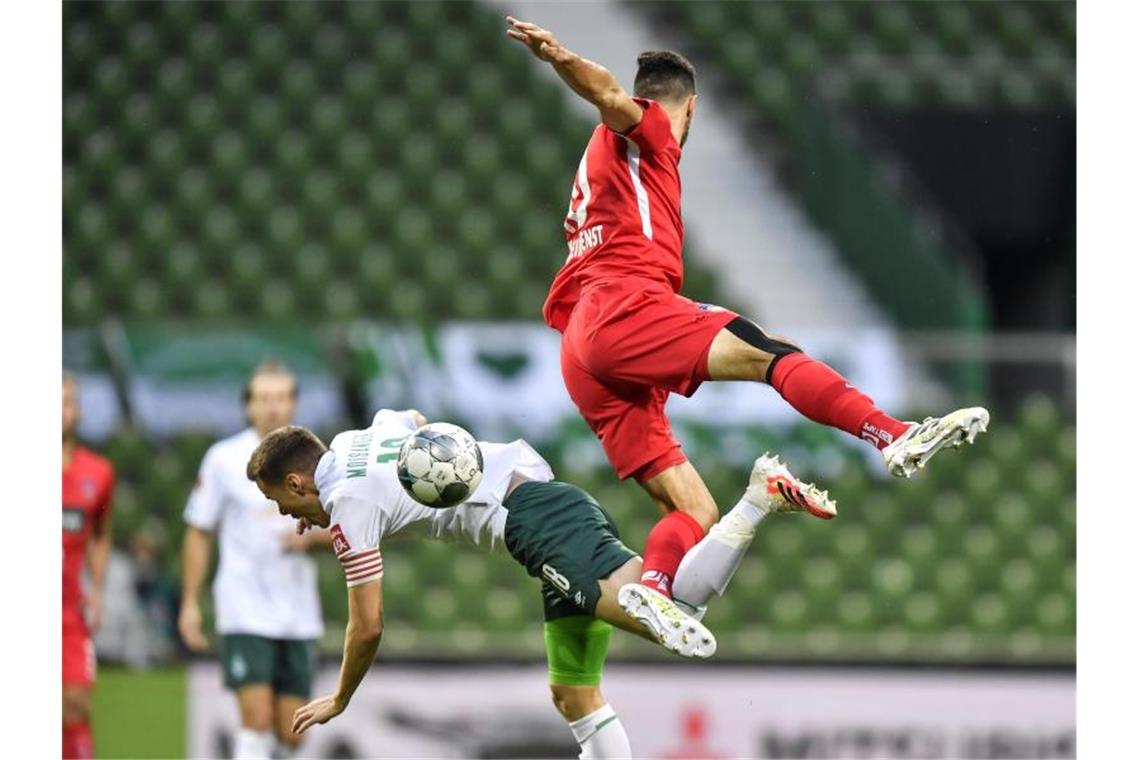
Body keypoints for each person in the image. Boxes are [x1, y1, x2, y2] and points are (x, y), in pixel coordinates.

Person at [504, 16, 990, 605]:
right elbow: (607, 93)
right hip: (624, 305)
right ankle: (891, 434)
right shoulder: (649, 129)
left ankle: (654, 590)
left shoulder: (600, 162)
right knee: (772, 354)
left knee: (694, 508)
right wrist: (559, 57)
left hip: (582, 348)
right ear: (693, 108)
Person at [244, 409, 835, 759]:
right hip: (538, 503)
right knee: (573, 693)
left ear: (297, 482)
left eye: (279, 502)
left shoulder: (347, 508)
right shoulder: (355, 441)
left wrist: (342, 697)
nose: (288, 517)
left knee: (678, 614)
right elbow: (418, 424)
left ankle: (756, 500)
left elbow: (367, 626)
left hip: (534, 522)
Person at [178, 359, 331, 760]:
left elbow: (343, 529)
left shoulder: (318, 462)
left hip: (297, 610)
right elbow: (199, 529)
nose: (272, 407)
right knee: (257, 719)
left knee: (293, 732)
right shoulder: (224, 459)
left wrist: (312, 539)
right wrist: (190, 602)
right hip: (244, 606)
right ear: (248, 404)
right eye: (264, 398)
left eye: (280, 398)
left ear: (294, 404)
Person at [62, 373, 115, 760]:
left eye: (65, 402)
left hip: (69, 611)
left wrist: (97, 591)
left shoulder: (97, 474)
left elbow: (100, 534)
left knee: (75, 703)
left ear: (77, 411)